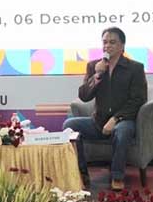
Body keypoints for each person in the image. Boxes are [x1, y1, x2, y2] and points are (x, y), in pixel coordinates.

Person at [63, 27, 147, 191]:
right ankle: (81, 173)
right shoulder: (94, 66)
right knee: (69, 125)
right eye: (105, 42)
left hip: (123, 120)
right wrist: (97, 76)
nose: (107, 46)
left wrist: (115, 119)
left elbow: (138, 99)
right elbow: (84, 96)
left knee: (122, 131)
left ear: (122, 46)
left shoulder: (135, 68)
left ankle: (117, 176)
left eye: (112, 42)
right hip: (98, 121)